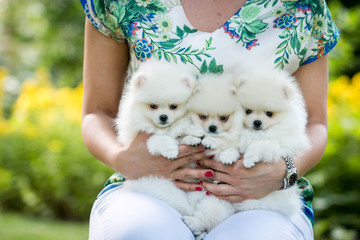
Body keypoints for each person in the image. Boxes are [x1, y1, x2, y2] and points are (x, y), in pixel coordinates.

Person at [80, 0, 339, 239]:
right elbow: (97, 112)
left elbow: (315, 123)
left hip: (262, 197)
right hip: (149, 186)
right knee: (140, 234)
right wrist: (120, 157)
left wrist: (284, 171)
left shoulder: (303, 6)